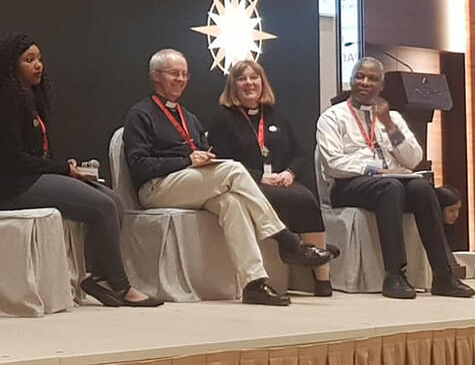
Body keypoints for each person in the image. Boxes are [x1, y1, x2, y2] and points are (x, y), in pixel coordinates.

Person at [123, 49, 333, 306]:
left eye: (184, 74)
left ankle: (253, 283)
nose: (180, 79)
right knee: (233, 169)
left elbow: (202, 151)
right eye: (173, 74)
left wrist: (204, 159)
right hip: (156, 188)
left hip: (189, 185)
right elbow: (139, 166)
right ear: (156, 76)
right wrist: (188, 160)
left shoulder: (188, 117)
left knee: (232, 203)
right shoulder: (141, 114)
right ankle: (286, 240)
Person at [0, 34, 162, 308]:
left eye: (39, 59)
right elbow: (11, 160)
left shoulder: (29, 102)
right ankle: (119, 284)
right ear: (10, 67)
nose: (38, 65)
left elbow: (36, 156)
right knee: (103, 206)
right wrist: (63, 169)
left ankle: (99, 278)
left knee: (113, 201)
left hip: (30, 179)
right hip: (10, 187)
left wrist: (66, 168)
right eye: (29, 60)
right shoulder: (0, 106)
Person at [316, 57, 475, 299]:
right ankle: (395, 274)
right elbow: (334, 163)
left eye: (372, 78)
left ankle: (443, 275)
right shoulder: (332, 117)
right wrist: (378, 171)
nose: (365, 82)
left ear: (381, 86)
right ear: (351, 80)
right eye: (360, 76)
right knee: (391, 187)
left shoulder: (393, 118)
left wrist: (389, 125)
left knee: (422, 188)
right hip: (348, 185)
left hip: (391, 184)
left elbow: (413, 159)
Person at [208, 60, 337, 297]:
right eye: (242, 79)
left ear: (262, 82)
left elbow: (300, 153)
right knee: (289, 198)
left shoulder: (278, 117)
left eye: (254, 78)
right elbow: (223, 162)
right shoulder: (223, 120)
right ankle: (291, 249)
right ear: (233, 86)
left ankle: (322, 278)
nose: (249, 83)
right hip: (249, 185)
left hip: (282, 181)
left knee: (306, 198)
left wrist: (289, 173)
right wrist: (259, 177)